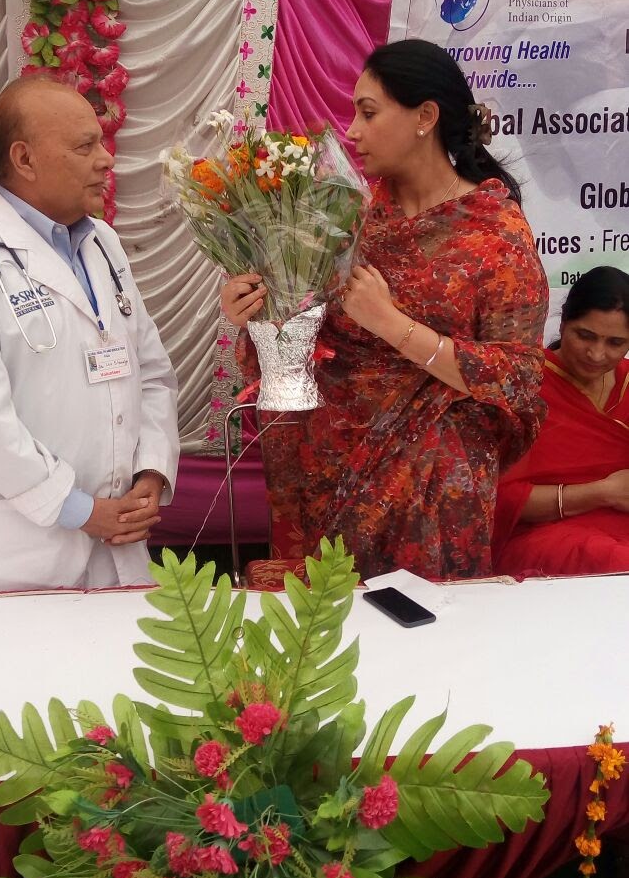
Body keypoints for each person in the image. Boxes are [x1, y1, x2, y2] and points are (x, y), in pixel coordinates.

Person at [221, 39, 548, 580]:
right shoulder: (347, 218)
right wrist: (258, 316)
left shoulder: (496, 236)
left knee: (424, 645)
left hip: (433, 488)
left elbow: (517, 378)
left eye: (368, 113)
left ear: (425, 117)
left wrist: (394, 326)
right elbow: (301, 344)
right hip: (328, 474)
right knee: (325, 645)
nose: (351, 131)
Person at [0, 76, 179, 594]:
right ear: (24, 159)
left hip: (117, 536)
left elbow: (152, 374)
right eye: (85, 146)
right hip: (18, 549)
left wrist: (150, 474)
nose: (106, 160)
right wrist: (77, 509)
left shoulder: (104, 245)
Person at [493, 266, 629, 575]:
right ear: (564, 319)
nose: (596, 354)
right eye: (585, 335)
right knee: (615, 560)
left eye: (615, 343)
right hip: (546, 535)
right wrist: (604, 492)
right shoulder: (525, 386)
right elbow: (500, 502)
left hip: (621, 527)